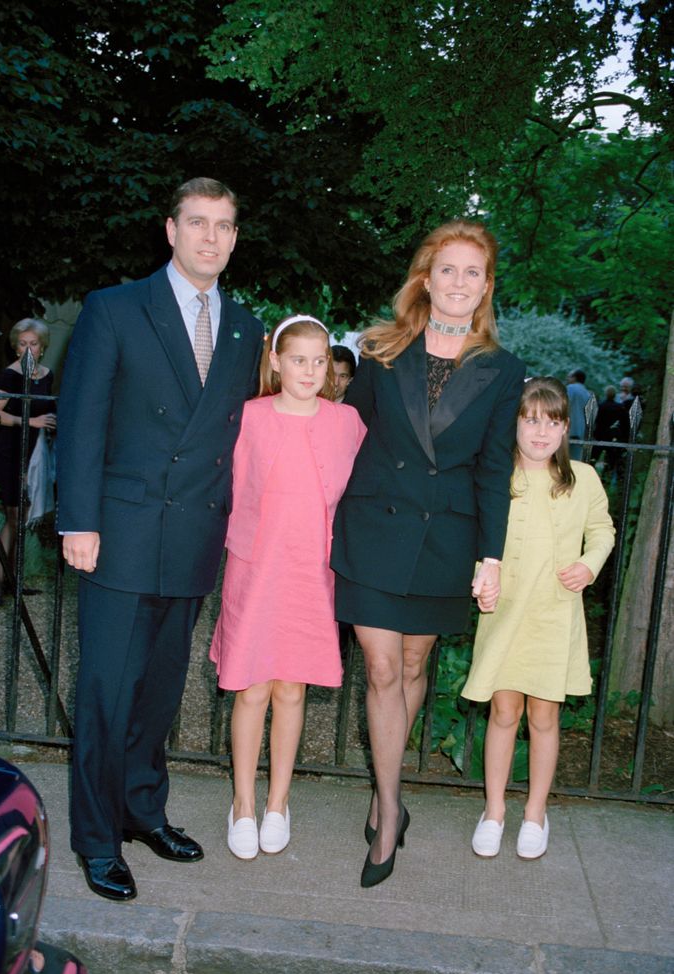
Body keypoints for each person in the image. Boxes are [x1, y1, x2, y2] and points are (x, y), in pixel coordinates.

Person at [56, 177, 264, 901]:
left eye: (225, 225)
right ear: (170, 230)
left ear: (235, 238)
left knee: (160, 693)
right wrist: (78, 521)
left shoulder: (244, 326)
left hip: (195, 536)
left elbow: (238, 434)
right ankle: (95, 837)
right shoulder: (114, 308)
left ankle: (144, 811)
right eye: (198, 222)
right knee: (108, 693)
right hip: (120, 532)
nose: (211, 237)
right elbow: (82, 421)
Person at [330, 219, 526, 887]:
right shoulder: (381, 350)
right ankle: (388, 811)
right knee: (382, 671)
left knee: (413, 665)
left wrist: (491, 558)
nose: (459, 282)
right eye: (449, 269)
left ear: (485, 287)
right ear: (426, 277)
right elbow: (344, 436)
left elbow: (494, 468)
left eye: (473, 272)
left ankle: (386, 788)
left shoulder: (503, 370)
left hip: (446, 538)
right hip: (374, 532)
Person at [210, 315, 366, 859]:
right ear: (276, 361)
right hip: (256, 566)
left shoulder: (346, 423)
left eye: (320, 360)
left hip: (311, 571)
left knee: (292, 688)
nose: (309, 370)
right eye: (298, 359)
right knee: (252, 686)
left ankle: (279, 802)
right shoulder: (249, 416)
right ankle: (244, 803)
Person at [462, 377, 615, 860]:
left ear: (566, 428)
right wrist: (481, 580)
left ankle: (534, 813)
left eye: (552, 422)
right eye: (530, 421)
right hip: (504, 610)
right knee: (504, 712)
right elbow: (476, 537)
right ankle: (493, 811)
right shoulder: (495, 478)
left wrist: (588, 565)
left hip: (553, 612)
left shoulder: (583, 478)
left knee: (544, 715)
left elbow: (604, 532)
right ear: (515, 425)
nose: (541, 432)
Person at [0, 319, 57, 605]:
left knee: (22, 520)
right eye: (22, 343)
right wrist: (31, 422)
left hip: (37, 454)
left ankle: (13, 580)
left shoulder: (46, 375)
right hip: (11, 451)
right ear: (15, 347)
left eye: (33, 343)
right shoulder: (8, 376)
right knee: (13, 518)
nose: (28, 348)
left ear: (42, 347)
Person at [592, 385, 629, 482]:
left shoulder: (600, 406)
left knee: (593, 458)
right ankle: (606, 477)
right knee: (611, 460)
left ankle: (593, 476)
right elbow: (625, 423)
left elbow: (595, 421)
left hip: (600, 435)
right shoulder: (619, 407)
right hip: (612, 436)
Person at [566, 369, 592, 460]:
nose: (567, 378)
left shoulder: (570, 388)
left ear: (575, 378)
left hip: (569, 429)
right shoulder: (587, 393)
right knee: (575, 460)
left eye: (569, 376)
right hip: (581, 430)